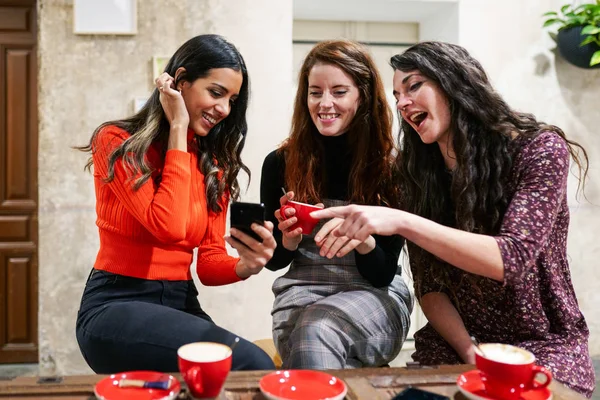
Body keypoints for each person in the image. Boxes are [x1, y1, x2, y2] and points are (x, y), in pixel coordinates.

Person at [311, 41, 595, 396]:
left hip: (543, 343)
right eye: (397, 93)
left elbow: (511, 258)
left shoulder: (538, 149)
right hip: (456, 342)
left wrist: (401, 221)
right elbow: (429, 288)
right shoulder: (415, 174)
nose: (401, 102)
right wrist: (468, 352)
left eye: (414, 86)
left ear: (455, 83)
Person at [75, 34, 276, 374]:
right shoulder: (115, 141)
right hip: (116, 302)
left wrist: (247, 265)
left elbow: (209, 265)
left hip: (181, 300)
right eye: (216, 92)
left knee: (246, 373)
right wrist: (178, 128)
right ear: (180, 83)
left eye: (232, 99)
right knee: (250, 363)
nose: (224, 109)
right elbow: (166, 226)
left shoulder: (213, 163)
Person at [260, 40, 413, 370]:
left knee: (316, 330)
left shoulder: (392, 169)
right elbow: (275, 262)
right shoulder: (279, 163)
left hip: (374, 295)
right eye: (315, 92)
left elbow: (382, 273)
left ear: (363, 95)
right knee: (315, 343)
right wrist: (286, 240)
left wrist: (363, 239)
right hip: (301, 290)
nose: (324, 103)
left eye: (339, 92)